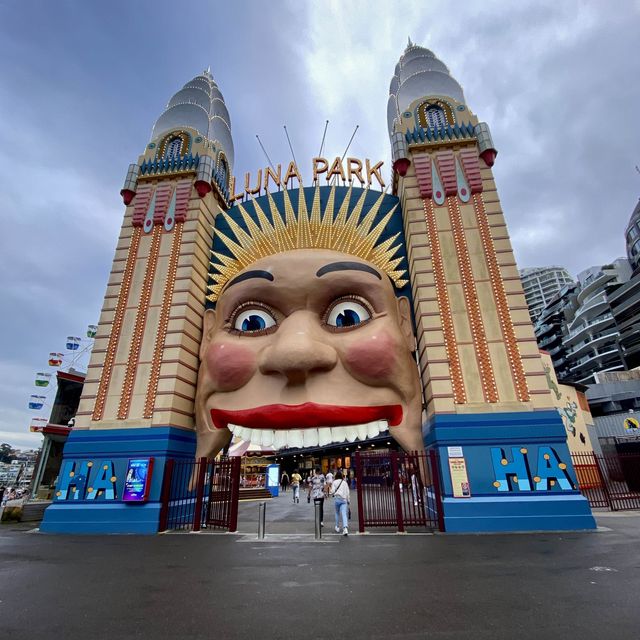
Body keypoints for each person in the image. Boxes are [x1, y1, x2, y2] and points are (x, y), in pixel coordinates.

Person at [330, 470, 350, 535]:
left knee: (337, 513)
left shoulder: (334, 482)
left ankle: (337, 527)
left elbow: (332, 491)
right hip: (344, 500)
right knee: (344, 514)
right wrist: (348, 500)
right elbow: (347, 492)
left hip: (337, 499)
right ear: (342, 476)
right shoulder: (345, 482)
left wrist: (331, 491)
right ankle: (345, 528)